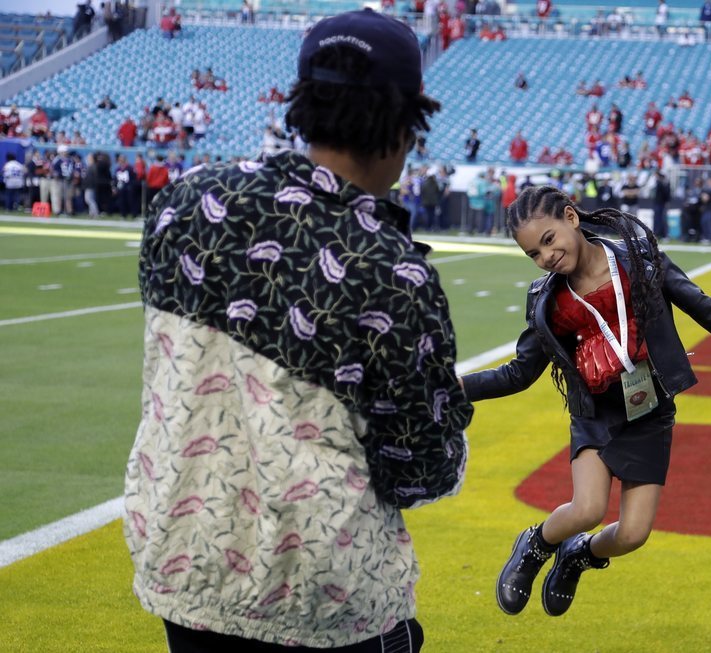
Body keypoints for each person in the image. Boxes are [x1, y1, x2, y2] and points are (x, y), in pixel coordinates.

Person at [125, 11, 472, 651]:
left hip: (186, 563)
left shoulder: (183, 202)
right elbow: (425, 469)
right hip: (323, 593)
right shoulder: (390, 272)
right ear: (405, 124)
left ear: (304, 100)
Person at [460, 185, 711, 617]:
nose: (547, 257)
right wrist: (454, 387)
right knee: (588, 507)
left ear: (571, 218)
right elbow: (518, 373)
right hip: (596, 412)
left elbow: (706, 309)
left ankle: (579, 555)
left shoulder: (640, 261)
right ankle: (536, 544)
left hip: (648, 409)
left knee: (633, 534)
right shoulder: (547, 301)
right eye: (534, 255)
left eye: (549, 240)